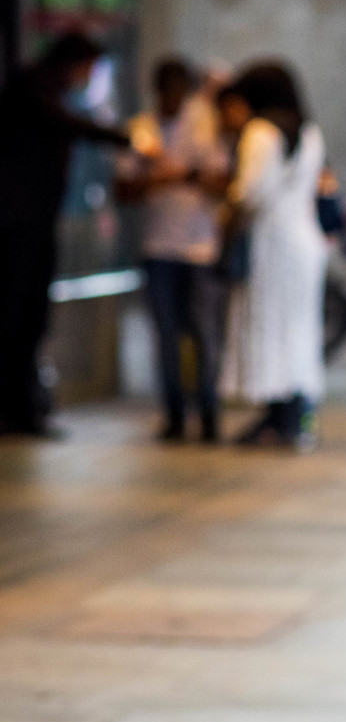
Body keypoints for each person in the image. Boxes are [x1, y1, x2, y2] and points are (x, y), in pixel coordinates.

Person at [0, 30, 130, 437]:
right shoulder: (33, 85)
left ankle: (24, 409)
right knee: (14, 314)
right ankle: (15, 408)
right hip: (18, 223)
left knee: (30, 317)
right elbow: (62, 121)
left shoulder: (49, 91)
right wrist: (123, 138)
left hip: (37, 221)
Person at [219, 61, 328, 451]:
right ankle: (292, 413)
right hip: (305, 240)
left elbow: (249, 193)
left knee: (269, 325)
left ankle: (277, 412)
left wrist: (226, 208)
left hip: (273, 244)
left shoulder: (260, 131)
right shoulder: (309, 130)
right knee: (298, 329)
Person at [121, 57, 229, 442]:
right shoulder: (142, 129)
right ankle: (175, 415)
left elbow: (224, 181)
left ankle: (209, 413)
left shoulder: (204, 127)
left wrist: (183, 174)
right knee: (165, 334)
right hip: (158, 245)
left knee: (202, 333)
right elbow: (124, 189)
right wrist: (153, 180)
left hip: (200, 246)